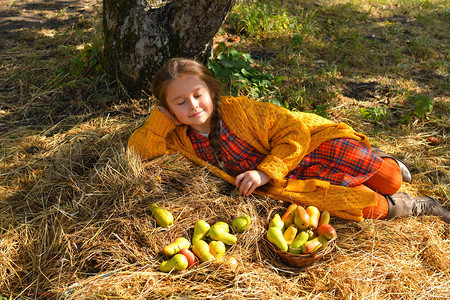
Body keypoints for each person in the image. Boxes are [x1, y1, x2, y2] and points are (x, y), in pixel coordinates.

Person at [128, 58, 449, 223]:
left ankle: (383, 160)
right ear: (167, 108)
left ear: (210, 91)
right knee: (372, 207)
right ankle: (418, 206)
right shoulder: (179, 137)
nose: (193, 106)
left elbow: (293, 132)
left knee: (389, 179)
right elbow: (139, 151)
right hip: (291, 180)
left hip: (307, 145)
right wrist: (159, 120)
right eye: (179, 102)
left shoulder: (241, 110)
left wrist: (263, 172)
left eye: (197, 95)